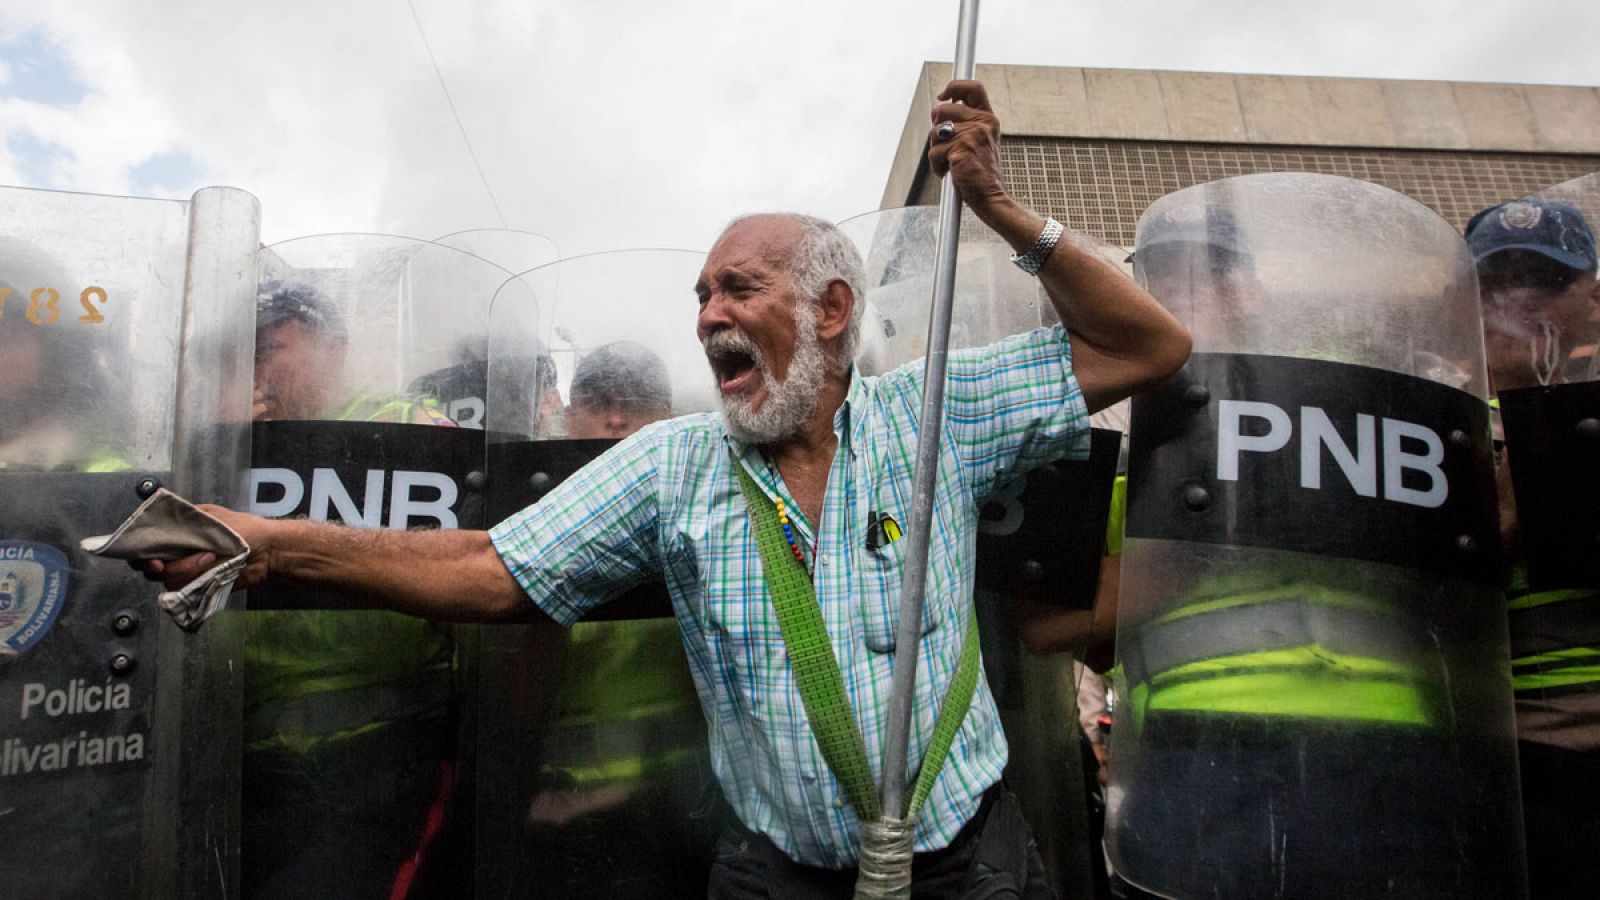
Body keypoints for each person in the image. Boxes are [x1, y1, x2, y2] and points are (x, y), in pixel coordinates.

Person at [140, 80, 1190, 898]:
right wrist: (261, 543)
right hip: (774, 876)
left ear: (830, 310)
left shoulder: (933, 413)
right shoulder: (671, 464)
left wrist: (998, 208)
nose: (706, 316)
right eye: (698, 296)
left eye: (738, 286)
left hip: (975, 864)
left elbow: (1147, 343)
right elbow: (487, 569)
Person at [242, 282, 461, 900]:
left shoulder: (410, 430)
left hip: (383, 750)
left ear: (335, 348)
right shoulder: (224, 439)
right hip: (249, 754)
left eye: (270, 348)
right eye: (241, 356)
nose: (254, 371)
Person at [1467, 197, 1600, 898]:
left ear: (1593, 298)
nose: (1515, 300)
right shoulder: (1427, 418)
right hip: (1493, 754)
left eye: (1543, 280)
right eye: (1494, 281)